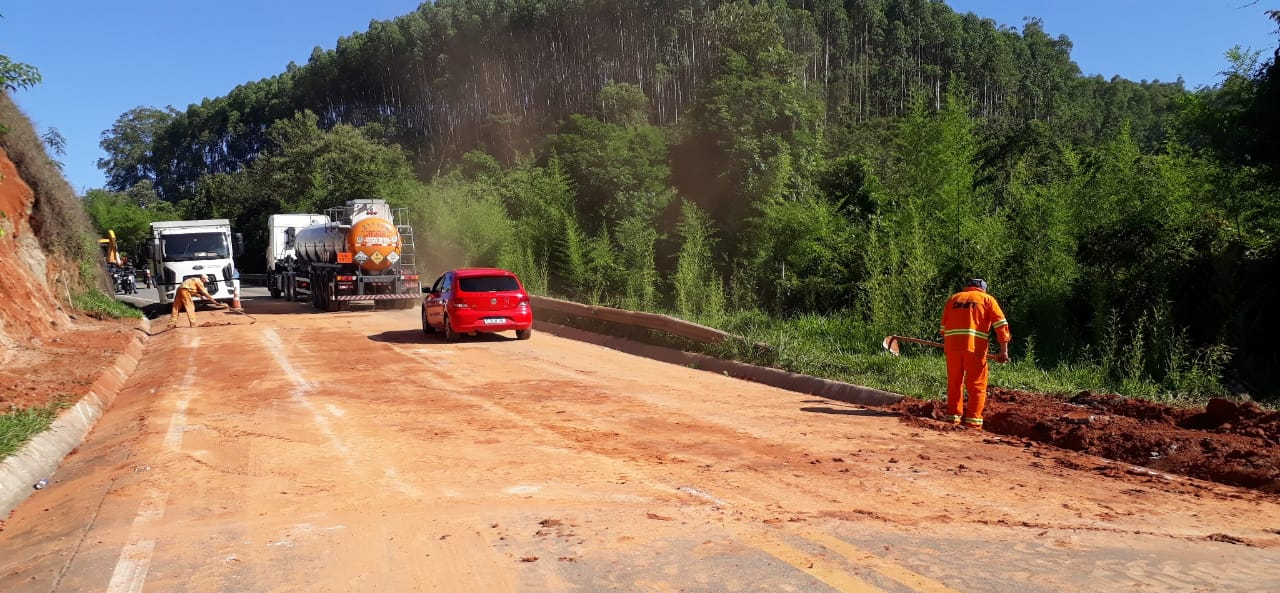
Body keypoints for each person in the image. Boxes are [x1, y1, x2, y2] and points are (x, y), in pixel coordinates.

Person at [940, 278, 1011, 430]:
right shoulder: (987, 299)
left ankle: (953, 418)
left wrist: (954, 341)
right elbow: (1001, 325)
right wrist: (1003, 351)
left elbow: (943, 328)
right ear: (983, 289)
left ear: (968, 287)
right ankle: (973, 422)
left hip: (952, 349)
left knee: (954, 383)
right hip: (974, 349)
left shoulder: (953, 299)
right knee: (976, 385)